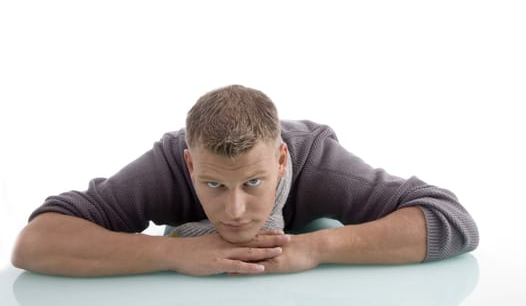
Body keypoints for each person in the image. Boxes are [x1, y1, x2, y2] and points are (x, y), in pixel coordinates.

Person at [11, 84, 479, 277]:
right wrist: (173, 253)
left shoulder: (318, 161)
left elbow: (453, 222)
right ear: (190, 166)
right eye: (214, 185)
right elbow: (35, 242)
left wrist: (314, 249)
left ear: (280, 160)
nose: (235, 211)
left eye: (254, 183)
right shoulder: (167, 166)